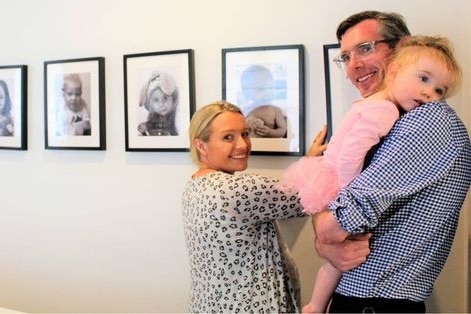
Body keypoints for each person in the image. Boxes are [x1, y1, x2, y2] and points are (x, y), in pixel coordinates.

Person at [277, 35, 462, 313]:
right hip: (367, 293)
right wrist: (328, 236)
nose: (354, 65)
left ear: (395, 55)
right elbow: (336, 218)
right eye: (346, 56)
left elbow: (333, 226)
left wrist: (327, 234)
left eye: (366, 48)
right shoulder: (387, 113)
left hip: (375, 298)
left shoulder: (425, 118)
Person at [181, 100, 329, 313]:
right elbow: (308, 197)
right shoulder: (237, 189)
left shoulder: (194, 185)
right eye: (228, 137)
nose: (242, 145)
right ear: (201, 146)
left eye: (245, 134)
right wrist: (317, 161)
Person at [240, 64, 287, 138]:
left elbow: (283, 130)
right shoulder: (244, 111)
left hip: (270, 146)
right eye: (260, 88)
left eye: (271, 87)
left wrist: (270, 132)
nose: (267, 92)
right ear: (246, 93)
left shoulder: (276, 110)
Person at [137, 71, 179, 136]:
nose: (161, 104)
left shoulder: (178, 119)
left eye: (165, 98)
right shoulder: (153, 118)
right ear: (150, 104)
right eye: (156, 100)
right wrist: (144, 128)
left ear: (173, 98)